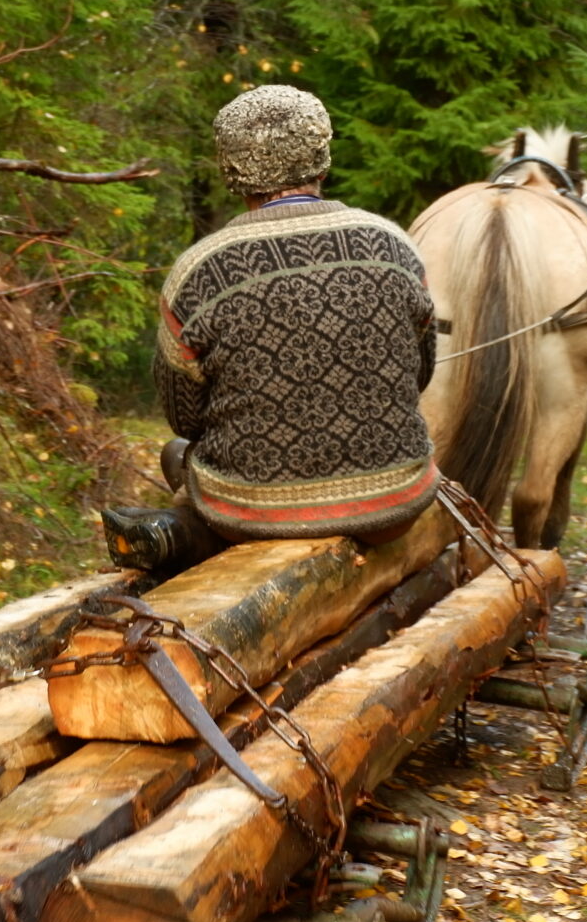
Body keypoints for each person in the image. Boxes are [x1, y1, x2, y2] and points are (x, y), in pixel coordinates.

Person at [102, 85, 439, 572]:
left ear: (233, 174)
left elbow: (185, 417)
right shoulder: (395, 246)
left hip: (252, 512)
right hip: (394, 504)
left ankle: (180, 535)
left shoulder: (200, 270)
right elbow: (419, 374)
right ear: (322, 161)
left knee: (178, 453)